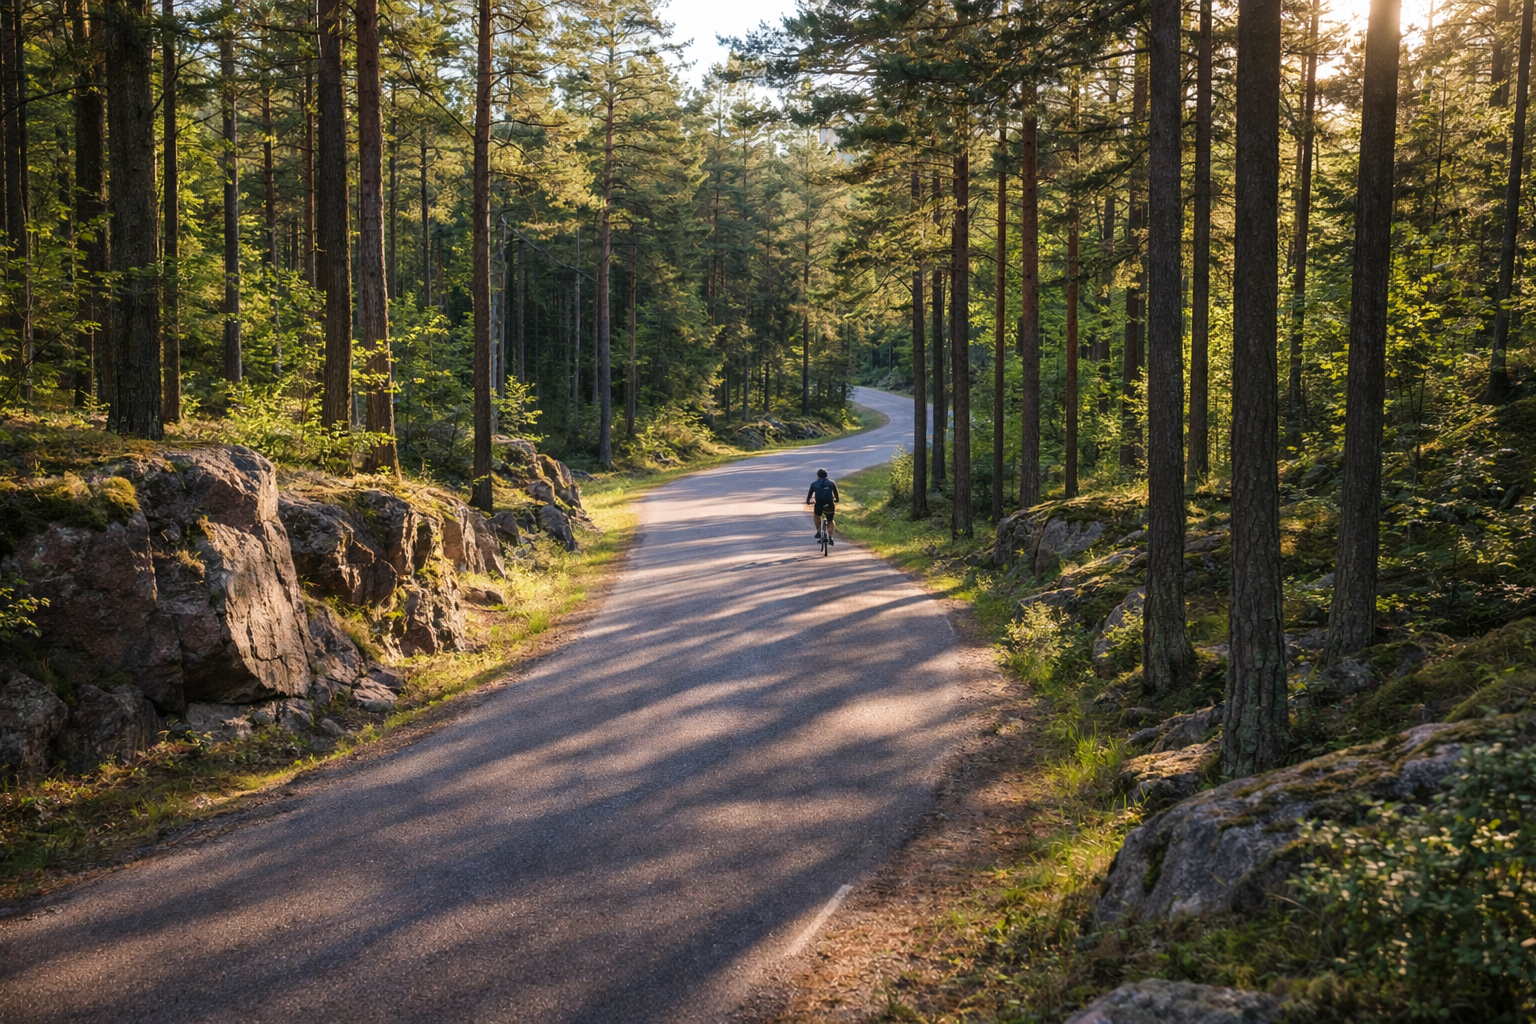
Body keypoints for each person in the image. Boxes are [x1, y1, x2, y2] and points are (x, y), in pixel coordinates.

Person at [806, 469, 839, 544]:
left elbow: (809, 497)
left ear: (817, 476)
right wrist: (835, 500)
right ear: (827, 476)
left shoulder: (814, 484)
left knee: (816, 515)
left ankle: (818, 532)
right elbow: (837, 498)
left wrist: (808, 502)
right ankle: (830, 537)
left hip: (819, 505)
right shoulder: (831, 483)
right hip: (829, 504)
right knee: (830, 520)